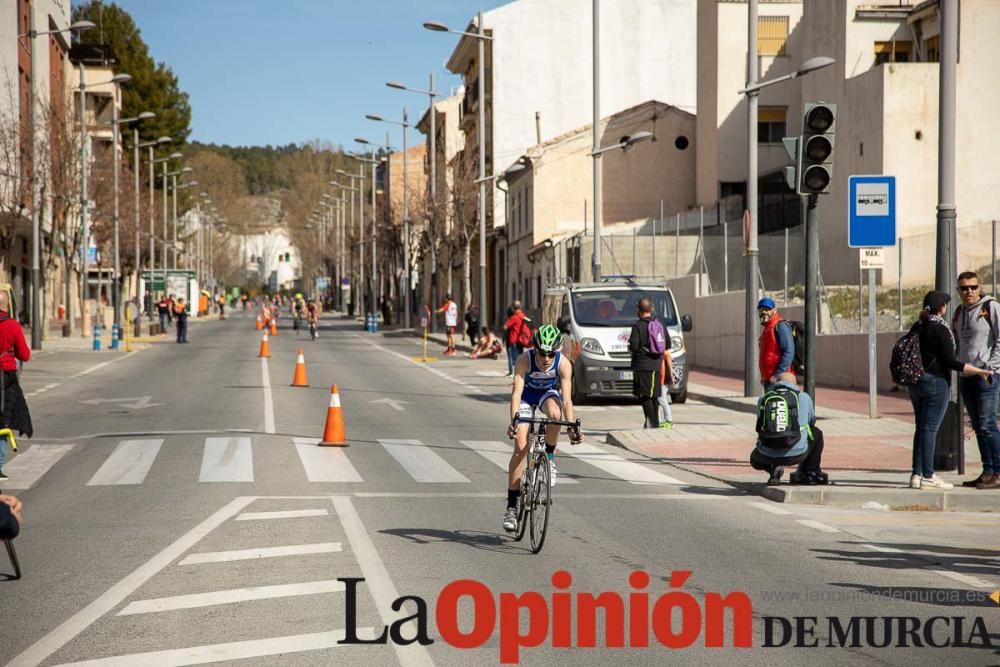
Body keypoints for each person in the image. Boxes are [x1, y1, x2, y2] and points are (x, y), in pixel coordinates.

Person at [909, 290, 992, 490]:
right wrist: (979, 371)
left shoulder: (918, 325)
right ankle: (929, 475)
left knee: (920, 429)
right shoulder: (939, 328)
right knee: (929, 430)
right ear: (942, 307)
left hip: (915, 383)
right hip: (936, 383)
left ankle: (916, 474)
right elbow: (950, 361)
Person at [503, 324, 582, 532]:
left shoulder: (563, 364)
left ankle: (548, 458)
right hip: (526, 397)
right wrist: (514, 422)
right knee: (520, 448)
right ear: (535, 349)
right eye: (542, 352)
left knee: (556, 415)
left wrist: (572, 426)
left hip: (547, 393)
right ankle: (512, 506)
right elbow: (516, 395)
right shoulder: (524, 360)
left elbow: (566, 400)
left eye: (550, 353)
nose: (546, 358)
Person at [952, 272, 1000, 490]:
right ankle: (987, 470)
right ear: (958, 291)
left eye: (972, 287)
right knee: (978, 426)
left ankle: (998, 472)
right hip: (967, 375)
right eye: (964, 288)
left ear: (979, 287)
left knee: (988, 424)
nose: (969, 291)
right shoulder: (960, 312)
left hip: (986, 376)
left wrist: (991, 367)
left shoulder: (991, 307)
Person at [750, 373, 826, 485]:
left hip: (766, 455)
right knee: (816, 433)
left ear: (777, 383)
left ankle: (774, 471)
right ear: (795, 384)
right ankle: (811, 471)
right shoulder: (804, 397)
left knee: (755, 459)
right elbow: (811, 422)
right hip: (796, 454)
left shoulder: (764, 398)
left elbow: (761, 424)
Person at [0, 289, 32, 482]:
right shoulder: (11, 325)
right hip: (6, 379)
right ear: (6, 306)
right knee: (4, 421)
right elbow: (25, 355)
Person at [629, 297, 664, 429]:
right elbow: (667, 343)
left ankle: (652, 424)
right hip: (657, 366)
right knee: (654, 397)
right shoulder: (659, 325)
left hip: (643, 366)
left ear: (638, 310)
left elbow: (634, 346)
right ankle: (652, 424)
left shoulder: (638, 326)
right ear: (652, 309)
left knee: (645, 397)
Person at [757, 297, 795, 388]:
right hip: (770, 379)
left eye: (767, 309)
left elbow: (789, 351)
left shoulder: (780, 326)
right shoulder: (767, 329)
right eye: (761, 310)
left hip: (781, 379)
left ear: (774, 310)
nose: (764, 312)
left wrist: (777, 374)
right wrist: (764, 377)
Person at [503, 301, 527, 376]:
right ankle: (521, 371)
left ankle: (512, 371)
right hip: (521, 339)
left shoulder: (514, 317)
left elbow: (505, 327)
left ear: (513, 308)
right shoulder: (523, 316)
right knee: (520, 356)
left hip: (513, 339)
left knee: (511, 356)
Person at [658, 349, 675, 429]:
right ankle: (658, 421)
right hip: (660, 377)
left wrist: (671, 375)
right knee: (657, 399)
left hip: (663, 377)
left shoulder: (664, 349)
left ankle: (669, 420)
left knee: (661, 398)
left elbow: (668, 359)